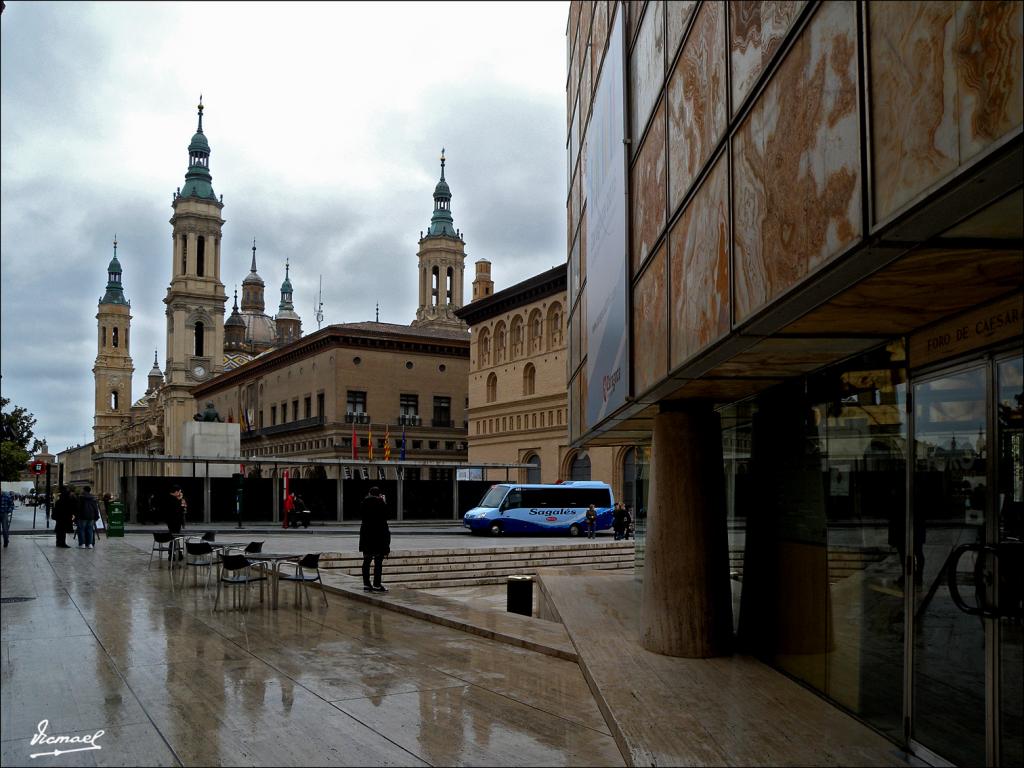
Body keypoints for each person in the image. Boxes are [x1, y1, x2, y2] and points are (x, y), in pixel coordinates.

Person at [359, 486, 391, 593]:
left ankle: (366, 585)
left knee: (366, 562)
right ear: (379, 494)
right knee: (378, 562)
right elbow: (387, 517)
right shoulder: (381, 503)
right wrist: (384, 502)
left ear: (369, 493)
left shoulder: (363, 503)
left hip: (366, 537)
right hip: (378, 538)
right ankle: (377, 584)